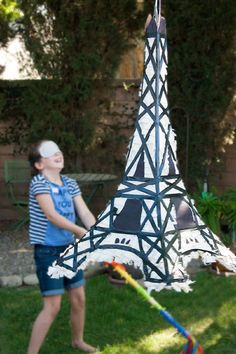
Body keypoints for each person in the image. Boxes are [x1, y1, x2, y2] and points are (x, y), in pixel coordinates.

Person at [27, 140, 97, 354]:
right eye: (50, 153)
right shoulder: (39, 183)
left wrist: (95, 233)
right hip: (48, 251)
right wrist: (80, 232)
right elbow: (51, 215)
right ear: (39, 165)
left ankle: (78, 341)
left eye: (59, 150)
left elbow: (84, 212)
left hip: (68, 249)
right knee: (53, 306)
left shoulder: (70, 183)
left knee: (79, 298)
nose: (58, 154)